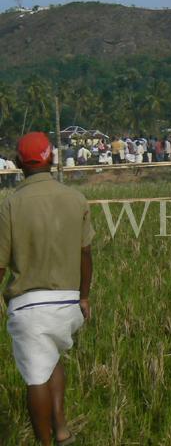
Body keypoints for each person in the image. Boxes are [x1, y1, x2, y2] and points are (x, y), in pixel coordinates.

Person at [0, 132, 94, 445]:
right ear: (52, 158)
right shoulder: (76, 199)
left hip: (29, 307)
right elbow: (85, 252)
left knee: (35, 377)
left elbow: (0, 264)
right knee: (51, 358)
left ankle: (44, 442)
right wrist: (84, 296)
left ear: (18, 163)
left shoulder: (11, 204)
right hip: (67, 304)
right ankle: (62, 428)